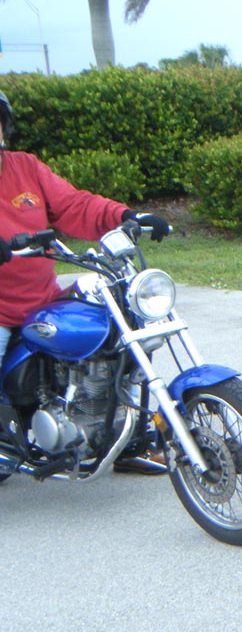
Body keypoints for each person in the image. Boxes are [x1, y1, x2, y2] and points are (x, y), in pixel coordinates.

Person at [0, 88, 169, 471]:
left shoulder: (24, 167)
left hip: (42, 299)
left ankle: (124, 436)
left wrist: (126, 216)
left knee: (118, 330)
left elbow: (74, 205)